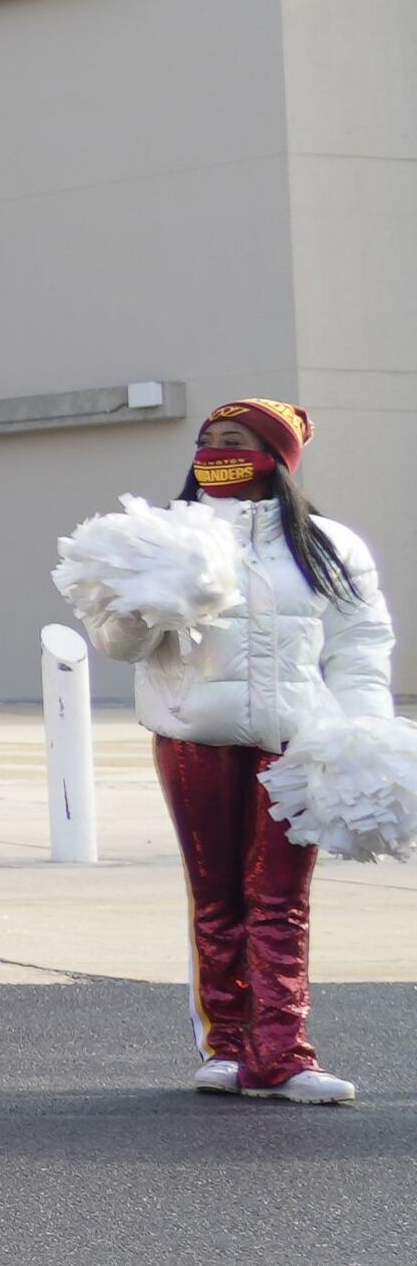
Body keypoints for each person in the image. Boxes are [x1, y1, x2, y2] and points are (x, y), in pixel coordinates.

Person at [119, 398, 392, 1104]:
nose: (214, 452)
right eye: (207, 441)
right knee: (216, 899)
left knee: (280, 900)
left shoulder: (331, 545)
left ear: (276, 456)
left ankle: (285, 1054)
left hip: (297, 741)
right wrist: (143, 602)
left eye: (234, 441)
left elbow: (361, 646)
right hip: (193, 737)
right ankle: (230, 1043)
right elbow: (120, 645)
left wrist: (362, 728)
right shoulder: (164, 533)